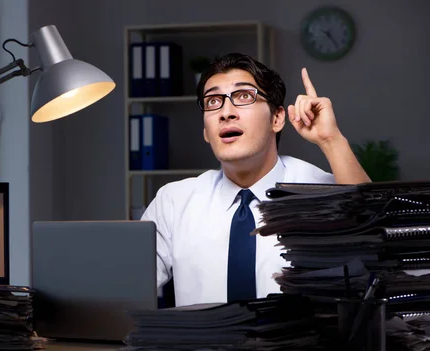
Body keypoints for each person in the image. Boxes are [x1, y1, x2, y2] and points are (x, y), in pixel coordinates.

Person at [140, 53, 371, 307]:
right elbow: (125, 284)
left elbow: (378, 246)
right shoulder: (174, 202)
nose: (226, 113)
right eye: (213, 101)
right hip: (202, 346)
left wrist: (331, 140)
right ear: (206, 131)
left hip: (301, 346)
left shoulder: (323, 192)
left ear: (277, 118)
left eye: (244, 97)